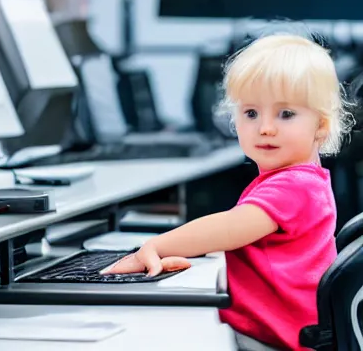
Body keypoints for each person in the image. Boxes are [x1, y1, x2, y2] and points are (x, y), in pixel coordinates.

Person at [101, 34, 354, 350]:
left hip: (278, 340)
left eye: (285, 114)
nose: (265, 127)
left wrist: (154, 246)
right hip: (286, 331)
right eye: (251, 113)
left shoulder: (293, 187)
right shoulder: (306, 179)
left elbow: (230, 228)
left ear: (322, 126)